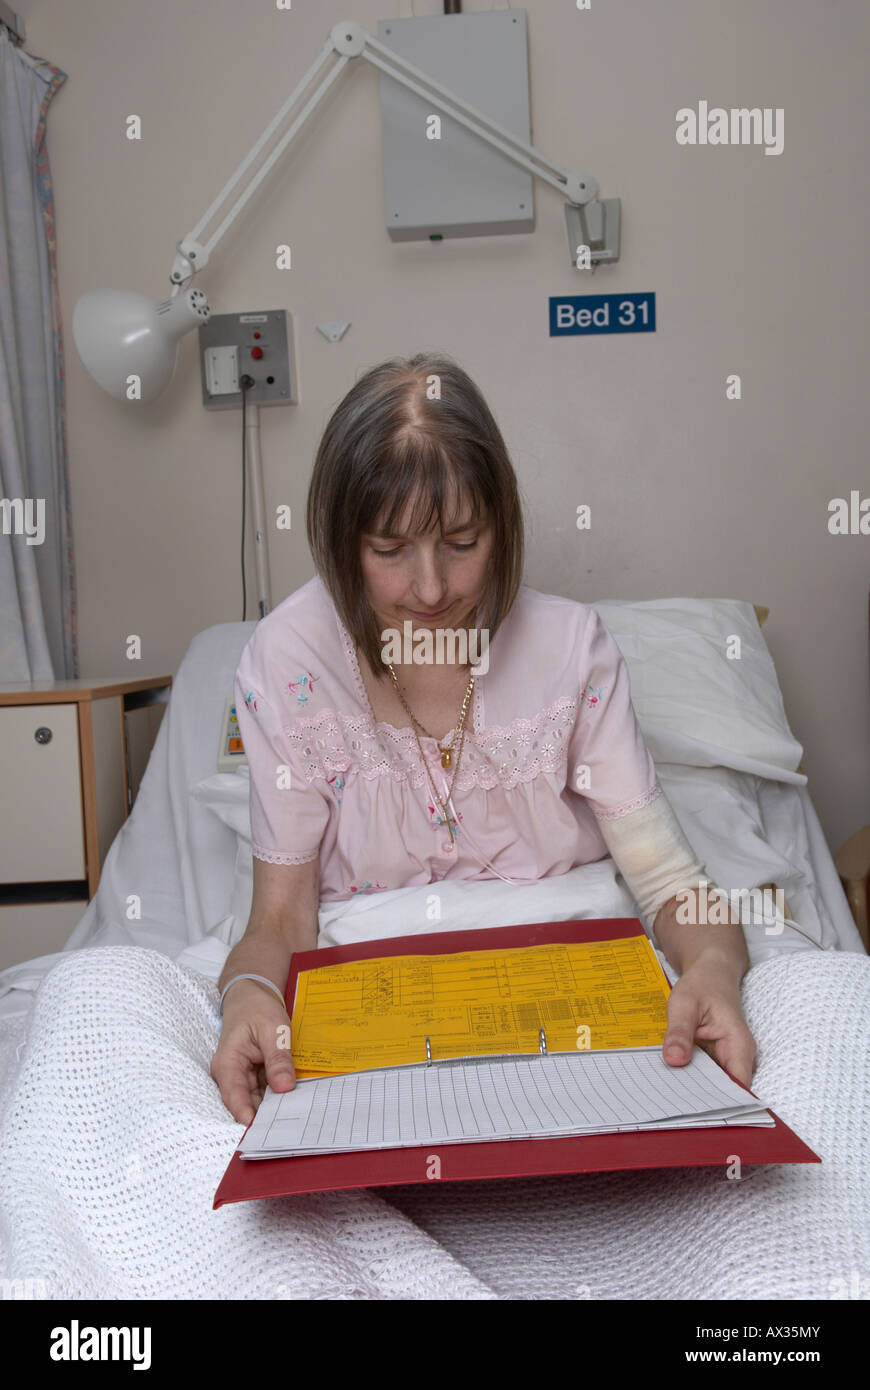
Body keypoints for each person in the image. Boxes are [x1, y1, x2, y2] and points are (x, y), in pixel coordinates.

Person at [211, 352, 757, 1125]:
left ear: (503, 526)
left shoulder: (570, 649)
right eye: (389, 550)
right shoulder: (287, 659)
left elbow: (670, 883)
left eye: (463, 543)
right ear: (339, 543)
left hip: (575, 993)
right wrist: (248, 1000)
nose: (431, 591)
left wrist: (713, 969)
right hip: (369, 1005)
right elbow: (279, 923)